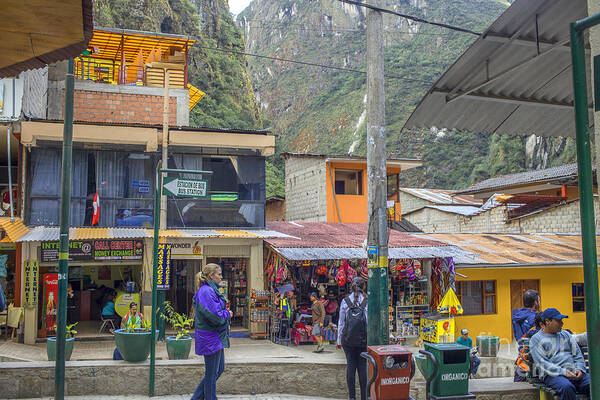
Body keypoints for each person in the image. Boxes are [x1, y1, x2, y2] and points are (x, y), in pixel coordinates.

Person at [191, 263, 232, 400]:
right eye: (219, 274)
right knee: (211, 374)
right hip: (211, 338)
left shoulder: (211, 290)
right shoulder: (206, 291)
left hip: (215, 337)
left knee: (218, 370)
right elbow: (215, 316)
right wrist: (228, 314)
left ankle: (196, 398)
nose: (221, 277)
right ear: (211, 276)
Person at [530, 308, 589, 400]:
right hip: (553, 375)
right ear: (547, 321)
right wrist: (564, 372)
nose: (562, 323)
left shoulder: (566, 334)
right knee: (567, 388)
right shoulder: (536, 339)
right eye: (558, 321)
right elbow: (542, 363)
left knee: (594, 383)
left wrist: (579, 369)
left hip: (574, 373)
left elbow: (577, 355)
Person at [337, 277, 368, 400]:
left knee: (350, 366)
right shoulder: (366, 301)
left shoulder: (345, 301)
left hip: (348, 341)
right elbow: (368, 322)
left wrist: (339, 340)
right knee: (362, 367)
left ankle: (352, 397)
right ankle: (364, 397)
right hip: (362, 341)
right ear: (363, 287)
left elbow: (341, 322)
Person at [514, 312, 544, 381]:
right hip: (526, 369)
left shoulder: (532, 330)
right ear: (542, 324)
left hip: (522, 367)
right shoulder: (536, 334)